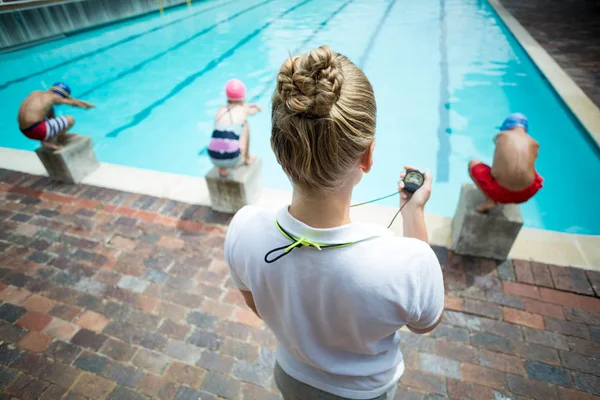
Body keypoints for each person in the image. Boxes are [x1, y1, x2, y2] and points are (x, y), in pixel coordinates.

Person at [225, 46, 445, 400]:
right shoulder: (406, 264)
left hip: (293, 378)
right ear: (368, 156)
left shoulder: (244, 231)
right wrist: (413, 212)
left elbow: (262, 307)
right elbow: (426, 322)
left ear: (278, 150)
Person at [469, 113, 543, 213]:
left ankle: (489, 201)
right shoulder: (535, 143)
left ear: (506, 127)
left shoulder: (500, 136)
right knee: (531, 167)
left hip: (499, 193)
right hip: (526, 194)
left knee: (473, 163)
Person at [207, 78, 262, 177]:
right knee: (244, 125)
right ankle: (247, 158)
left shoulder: (220, 109)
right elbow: (251, 112)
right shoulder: (243, 110)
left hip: (212, 156)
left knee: (223, 132)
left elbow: (235, 108)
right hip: (232, 158)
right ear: (243, 97)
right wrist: (257, 108)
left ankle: (222, 169)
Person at [18, 82, 95, 150]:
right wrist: (88, 105)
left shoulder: (36, 93)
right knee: (70, 119)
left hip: (25, 131)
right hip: (37, 131)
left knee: (49, 110)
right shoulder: (55, 97)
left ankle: (60, 135)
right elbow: (73, 102)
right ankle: (48, 140)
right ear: (62, 95)